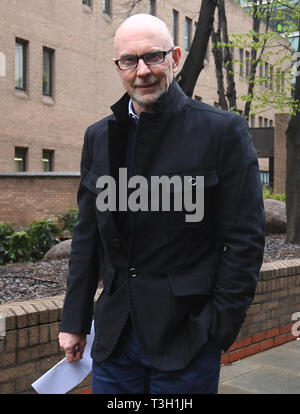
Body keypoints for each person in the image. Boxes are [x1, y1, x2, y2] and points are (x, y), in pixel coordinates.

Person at [59, 13, 265, 394]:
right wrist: (74, 320)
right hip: (115, 339)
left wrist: (218, 328)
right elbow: (88, 237)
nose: (142, 71)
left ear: (175, 56)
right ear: (118, 66)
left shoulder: (221, 131)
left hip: (187, 339)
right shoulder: (99, 138)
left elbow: (245, 242)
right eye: (129, 60)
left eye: (153, 57)